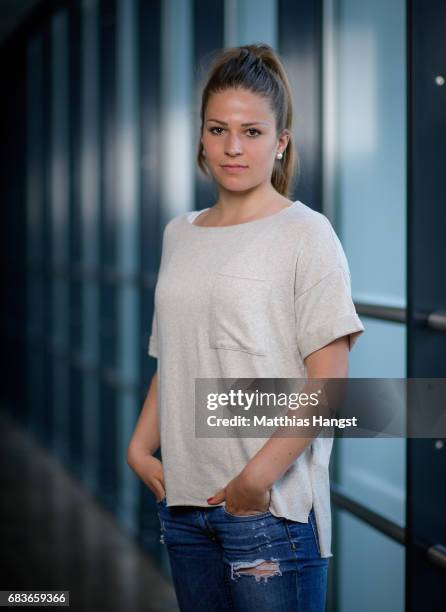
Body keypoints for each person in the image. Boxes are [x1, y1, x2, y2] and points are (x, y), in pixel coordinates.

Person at [127, 43, 365, 611]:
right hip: (184, 510)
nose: (233, 147)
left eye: (253, 132)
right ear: (202, 137)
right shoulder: (178, 233)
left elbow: (327, 385)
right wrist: (140, 447)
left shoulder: (306, 233)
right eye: (218, 129)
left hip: (268, 517)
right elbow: (175, 359)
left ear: (280, 142)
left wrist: (254, 483)